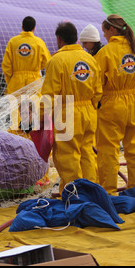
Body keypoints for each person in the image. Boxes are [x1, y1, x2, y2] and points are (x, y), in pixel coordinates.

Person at [95, 14, 135, 195]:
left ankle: (109, 191)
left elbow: (96, 83)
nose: (104, 36)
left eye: (105, 32)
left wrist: (108, 92)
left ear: (112, 29)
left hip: (112, 104)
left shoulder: (105, 52)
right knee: (134, 146)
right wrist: (133, 83)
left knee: (108, 149)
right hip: (134, 101)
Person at [41, 21, 103, 194]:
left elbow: (49, 95)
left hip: (67, 112)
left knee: (68, 156)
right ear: (76, 38)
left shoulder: (57, 60)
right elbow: (98, 91)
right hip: (89, 112)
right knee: (87, 154)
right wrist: (89, 107)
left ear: (59, 39)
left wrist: (40, 116)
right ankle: (91, 192)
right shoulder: (90, 59)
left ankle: (74, 195)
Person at [2, 16, 51, 95]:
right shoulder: (39, 42)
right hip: (34, 81)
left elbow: (6, 64)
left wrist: (10, 80)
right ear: (34, 28)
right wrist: (37, 67)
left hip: (16, 81)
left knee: (15, 106)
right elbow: (47, 61)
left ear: (22, 27)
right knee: (34, 106)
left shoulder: (13, 41)